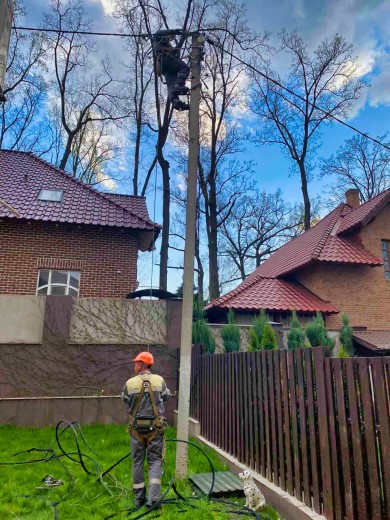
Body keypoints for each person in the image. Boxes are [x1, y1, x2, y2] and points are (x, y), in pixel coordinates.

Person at [121, 351, 170, 510]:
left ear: (142, 364)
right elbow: (166, 397)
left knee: (137, 462)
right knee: (155, 462)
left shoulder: (130, 383)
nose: (134, 365)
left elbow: (124, 399)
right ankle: (154, 499)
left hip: (136, 430)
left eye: (136, 363)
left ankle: (138, 499)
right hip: (155, 429)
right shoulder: (159, 380)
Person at [153, 30, 190, 111]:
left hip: (165, 67)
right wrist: (176, 31)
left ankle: (175, 101)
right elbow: (158, 33)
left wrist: (183, 38)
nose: (170, 39)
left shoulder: (167, 46)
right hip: (164, 60)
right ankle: (179, 85)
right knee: (184, 67)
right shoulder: (157, 39)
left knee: (171, 84)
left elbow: (175, 51)